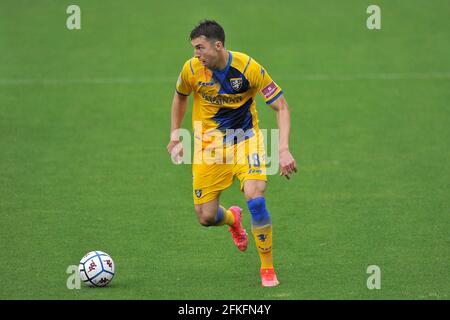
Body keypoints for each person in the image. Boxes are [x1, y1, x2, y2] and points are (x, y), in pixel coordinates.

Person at [167, 20, 297, 287]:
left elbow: (281, 107)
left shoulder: (248, 68)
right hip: (209, 147)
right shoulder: (191, 69)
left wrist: (283, 149)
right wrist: (174, 134)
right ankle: (232, 219)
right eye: (194, 48)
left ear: (218, 45)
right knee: (205, 217)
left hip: (245, 141)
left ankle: (267, 268)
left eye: (200, 47)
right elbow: (180, 95)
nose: (196, 54)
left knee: (255, 196)